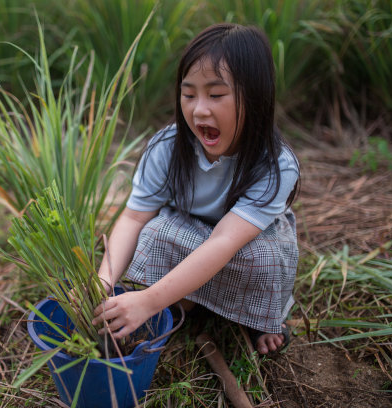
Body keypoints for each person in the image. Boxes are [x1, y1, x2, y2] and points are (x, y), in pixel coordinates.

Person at [92, 23, 300, 355]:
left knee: (261, 260)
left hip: (243, 242)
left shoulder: (275, 164)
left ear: (256, 95)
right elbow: (133, 219)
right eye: (189, 95)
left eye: (216, 95)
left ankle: (259, 318)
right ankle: (182, 302)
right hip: (189, 229)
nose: (199, 108)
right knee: (155, 231)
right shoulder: (167, 147)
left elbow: (224, 241)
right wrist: (103, 281)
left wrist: (147, 299)